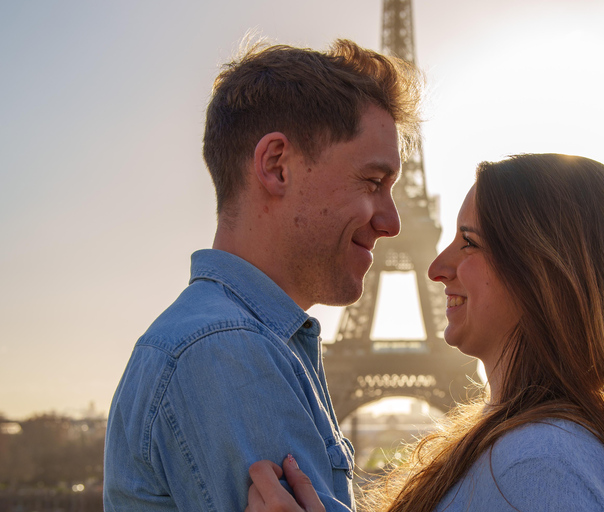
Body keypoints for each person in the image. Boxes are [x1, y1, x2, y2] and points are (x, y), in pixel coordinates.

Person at [247, 153, 604, 512]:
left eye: (468, 242)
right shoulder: (527, 448)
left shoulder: (546, 460)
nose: (436, 267)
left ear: (542, 273)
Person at [103, 38, 422, 511]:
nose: (392, 222)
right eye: (373, 182)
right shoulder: (226, 349)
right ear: (277, 167)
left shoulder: (229, 341)